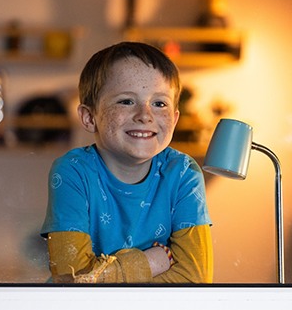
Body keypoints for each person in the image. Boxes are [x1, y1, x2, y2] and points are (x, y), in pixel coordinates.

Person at [41, 42, 213, 283]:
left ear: (174, 120)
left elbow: (194, 278)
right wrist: (152, 262)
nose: (145, 115)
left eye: (159, 103)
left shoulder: (184, 173)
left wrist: (108, 277)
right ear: (90, 117)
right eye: (126, 101)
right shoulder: (73, 172)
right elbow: (72, 280)